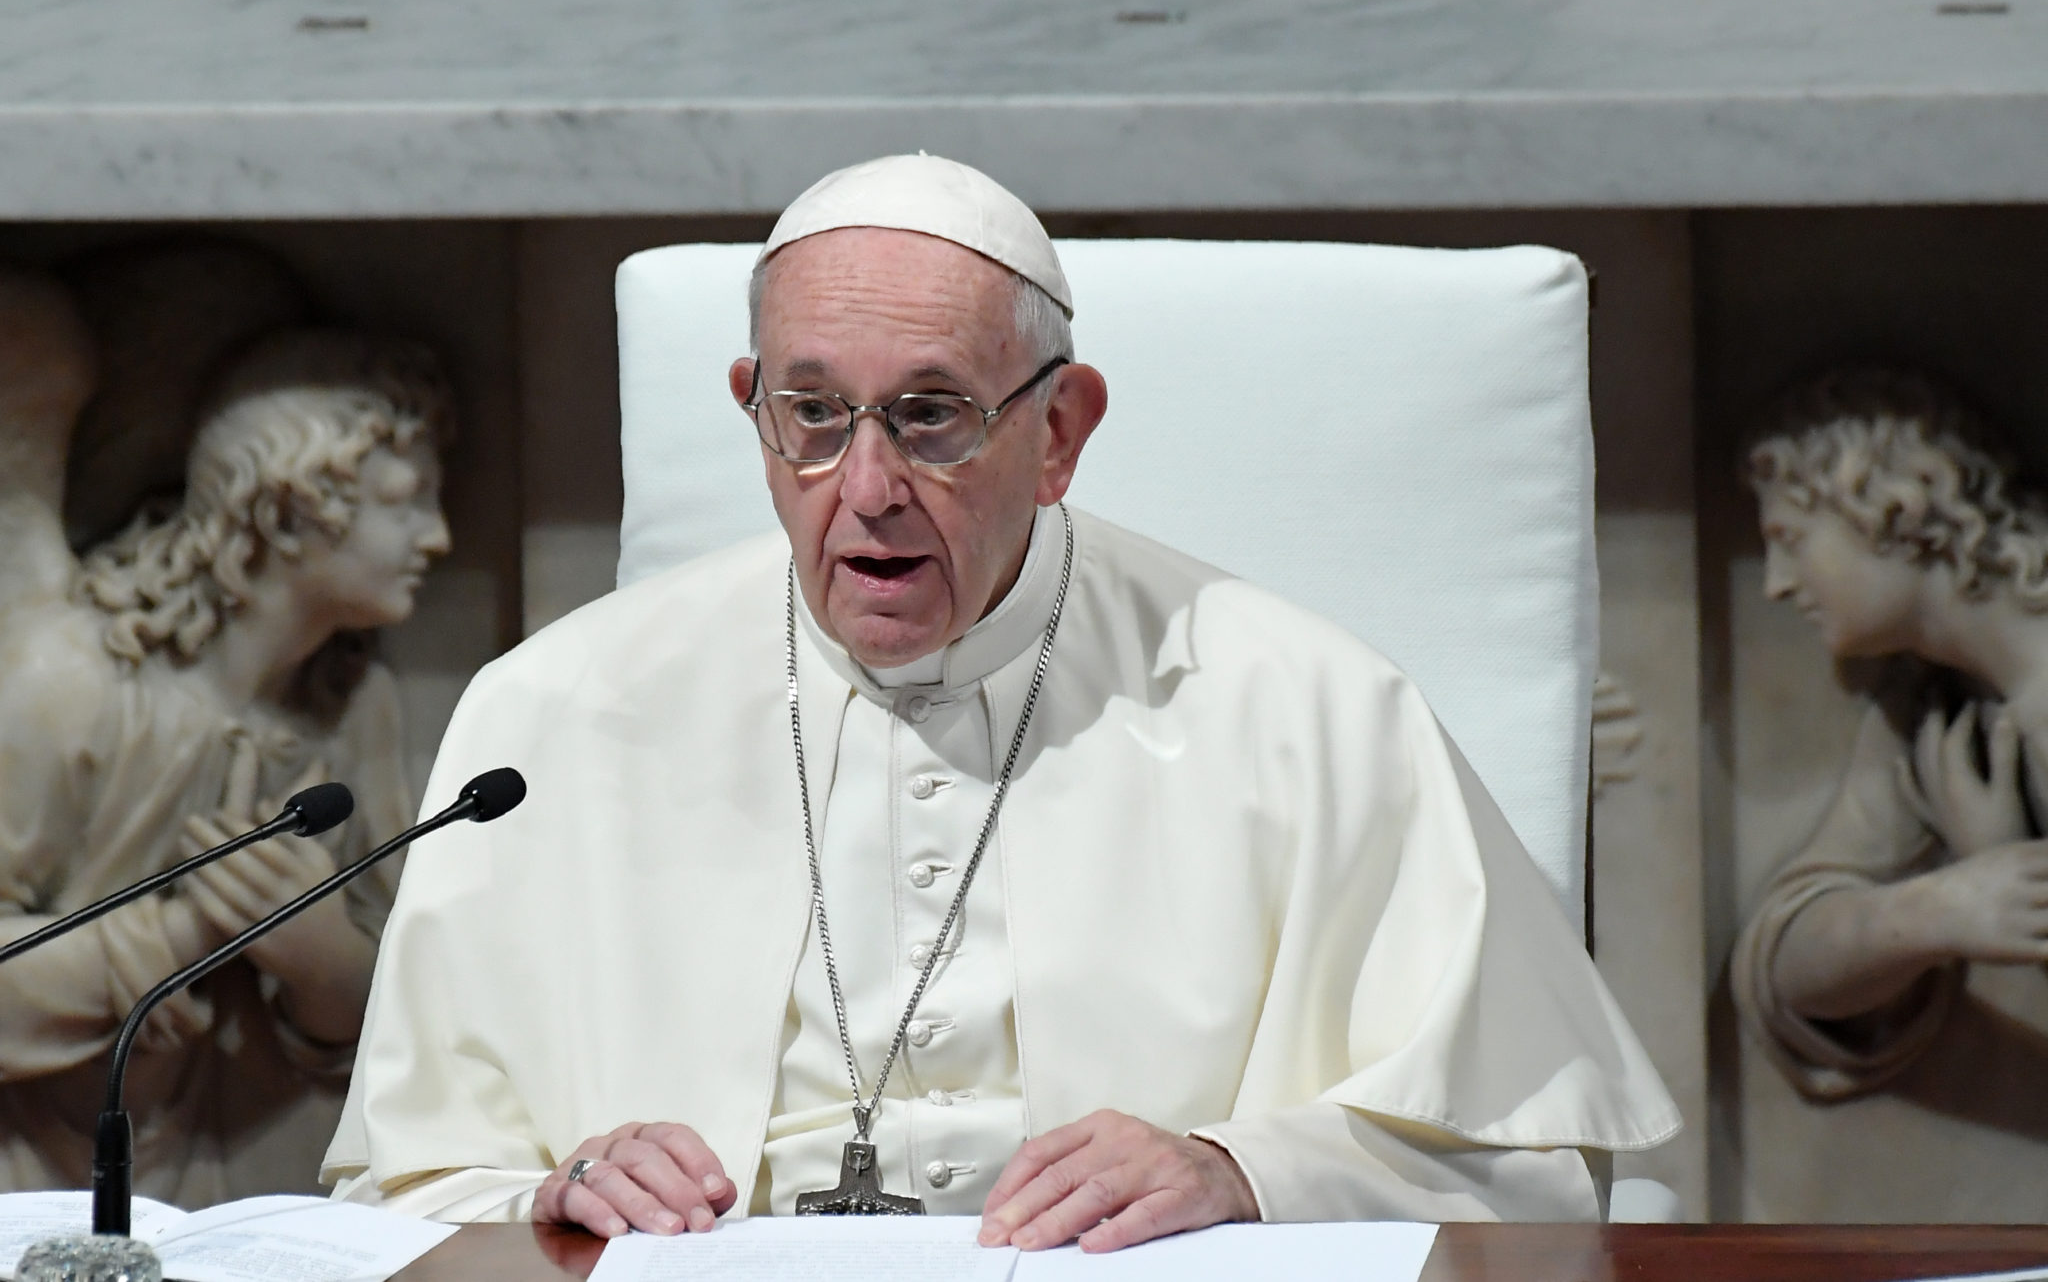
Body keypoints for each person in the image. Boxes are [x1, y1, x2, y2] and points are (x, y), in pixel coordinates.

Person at [325, 154, 1678, 1249]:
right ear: (751, 412)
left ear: (1061, 431)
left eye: (930, 416)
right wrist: (556, 1193)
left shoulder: (1308, 710)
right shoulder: (555, 718)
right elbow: (401, 1195)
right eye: (811, 413)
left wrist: (1241, 1168)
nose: (864, 489)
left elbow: (1535, 1181)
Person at [0, 316, 454, 1205]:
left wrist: (321, 960)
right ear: (292, 500)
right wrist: (181, 935)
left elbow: (409, 1005)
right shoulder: (68, 678)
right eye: (407, 498)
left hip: (238, 1178)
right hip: (29, 1177)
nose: (438, 537)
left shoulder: (353, 707)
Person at [1733, 369, 2048, 1099]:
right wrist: (1937, 908)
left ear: (1887, 505)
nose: (1776, 582)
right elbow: (1787, 963)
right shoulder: (1939, 709)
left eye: (1789, 538)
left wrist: (2008, 866)